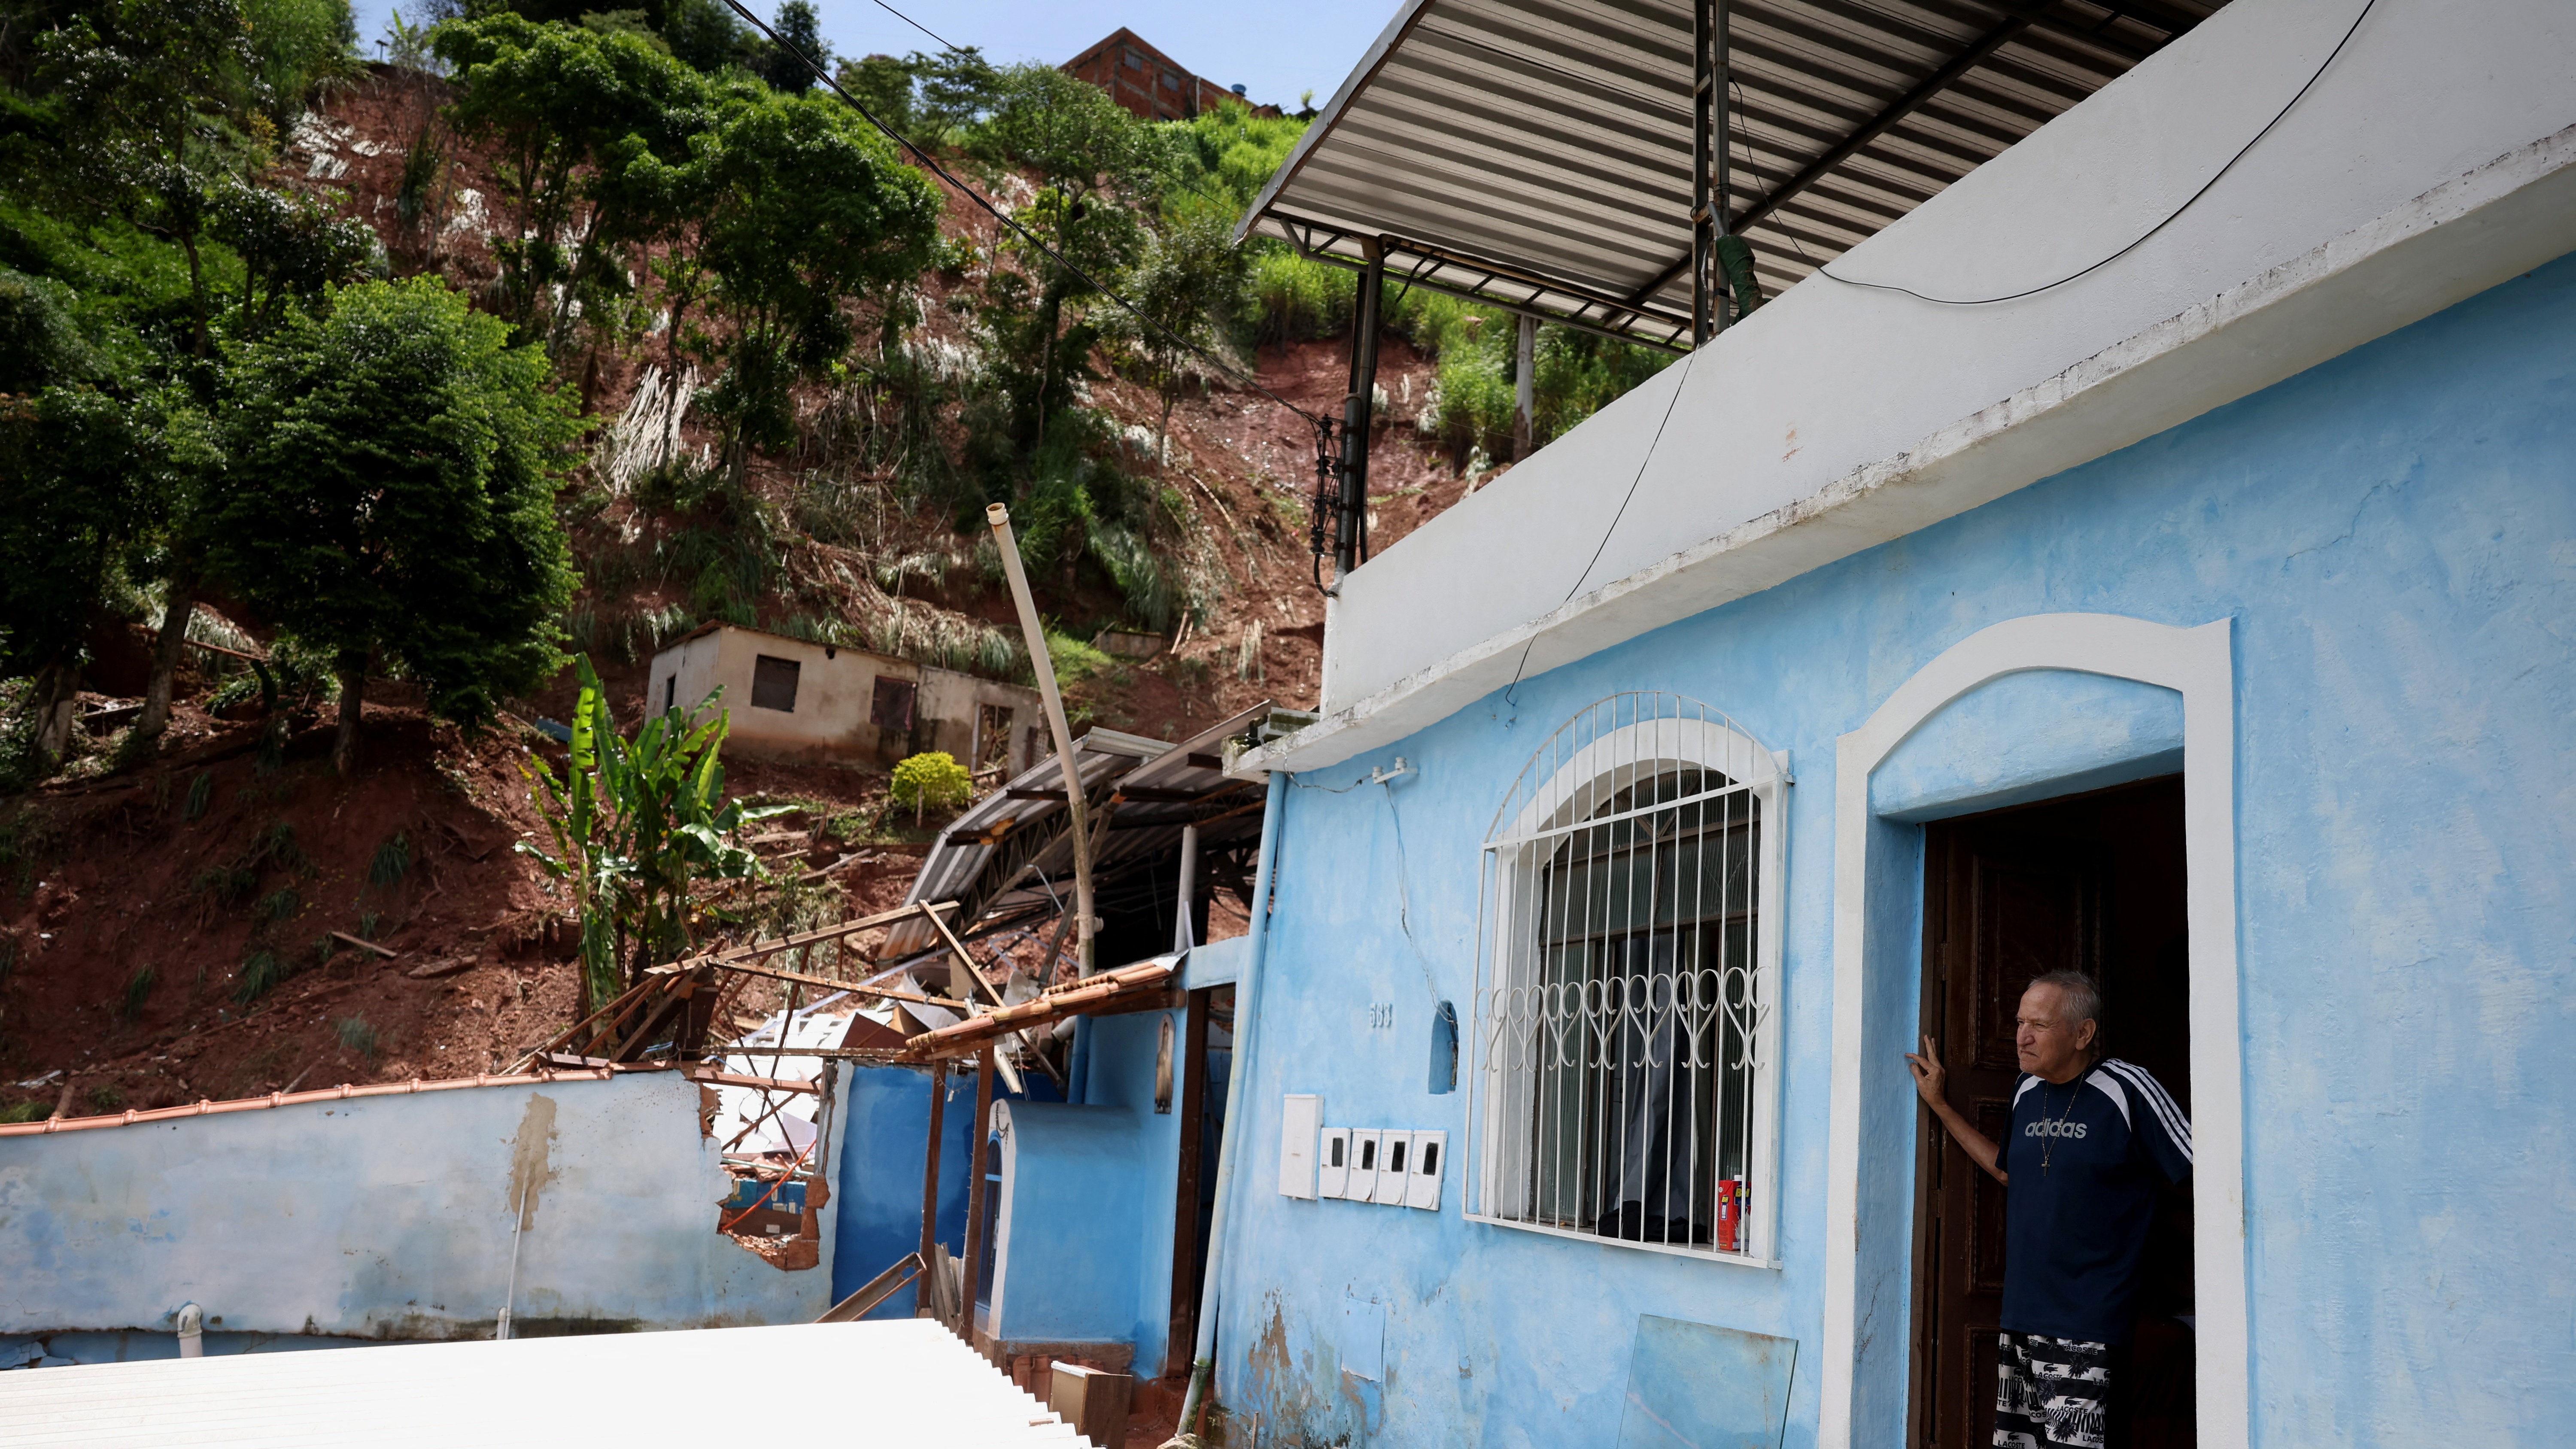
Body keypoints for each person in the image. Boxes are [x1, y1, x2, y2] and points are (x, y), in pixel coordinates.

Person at [1906, 971, 2191, 1449]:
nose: (2022, 1036)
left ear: (2084, 1034)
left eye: (2039, 1024)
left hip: (2089, 1328)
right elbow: (2007, 1173)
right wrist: (1940, 1106)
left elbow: (2203, 1170)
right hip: (2022, 1316)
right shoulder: (2026, 1089)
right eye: (2020, 1022)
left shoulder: (2126, 1088)